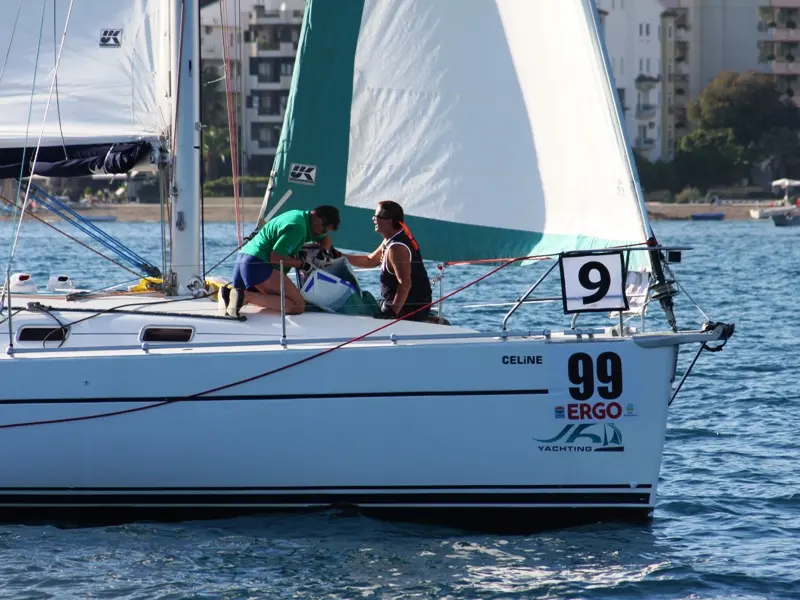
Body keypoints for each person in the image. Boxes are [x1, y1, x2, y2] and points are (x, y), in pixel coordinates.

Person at [218, 205, 340, 317]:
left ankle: (229, 294)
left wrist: (323, 252)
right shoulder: (298, 228)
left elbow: (325, 239)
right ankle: (245, 296)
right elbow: (275, 258)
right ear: (320, 220)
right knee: (298, 305)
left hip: (243, 260)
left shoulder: (301, 217)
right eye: (324, 230)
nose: (323, 233)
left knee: (277, 298)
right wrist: (302, 264)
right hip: (258, 264)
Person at [342, 201, 432, 321]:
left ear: (389, 221)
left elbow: (405, 283)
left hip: (407, 311)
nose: (373, 219)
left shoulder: (397, 247)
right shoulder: (391, 239)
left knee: (350, 306)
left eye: (377, 216)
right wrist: (338, 256)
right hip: (399, 305)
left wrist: (392, 312)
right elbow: (370, 260)